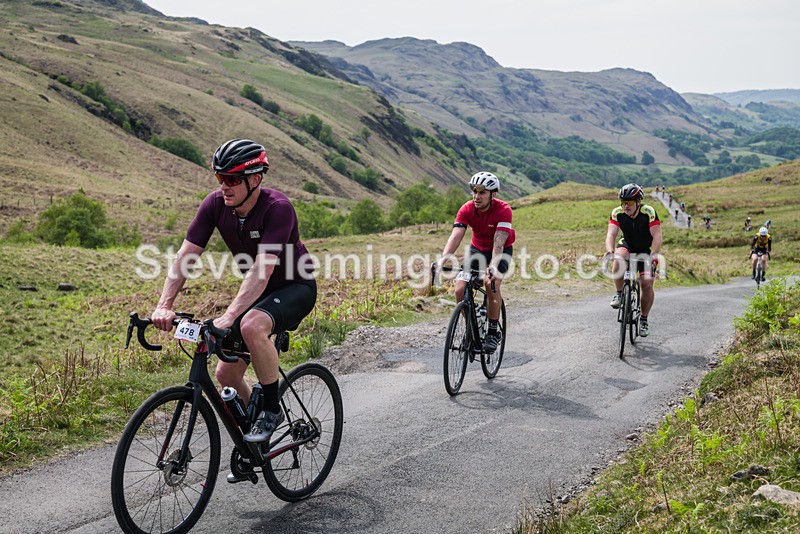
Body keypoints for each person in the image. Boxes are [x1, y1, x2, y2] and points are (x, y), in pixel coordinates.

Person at [150, 139, 316, 481]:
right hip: (258, 294)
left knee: (252, 326)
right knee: (226, 375)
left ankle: (271, 409)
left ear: (254, 179)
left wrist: (228, 317)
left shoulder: (278, 208)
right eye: (219, 178)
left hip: (294, 288)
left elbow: (262, 271)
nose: (223, 186)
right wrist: (164, 305)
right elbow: (185, 256)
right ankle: (253, 444)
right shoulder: (215, 205)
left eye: (232, 179)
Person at [437, 172, 514, 353]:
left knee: (491, 282)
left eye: (482, 192)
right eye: (474, 191)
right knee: (460, 289)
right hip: (477, 250)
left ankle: (493, 331)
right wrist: (444, 258)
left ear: (492, 195)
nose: (476, 196)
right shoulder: (467, 208)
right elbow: (456, 236)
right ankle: (473, 327)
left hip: (500, 250)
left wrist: (493, 266)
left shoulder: (504, 210)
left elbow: (498, 243)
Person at [604, 183, 662, 337]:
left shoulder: (648, 212)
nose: (625, 206)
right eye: (623, 202)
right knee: (618, 256)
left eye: (629, 202)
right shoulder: (617, 213)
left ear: (638, 202)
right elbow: (611, 234)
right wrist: (609, 250)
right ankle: (619, 294)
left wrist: (654, 255)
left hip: (645, 250)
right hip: (628, 245)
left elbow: (657, 236)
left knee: (646, 284)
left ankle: (643, 320)